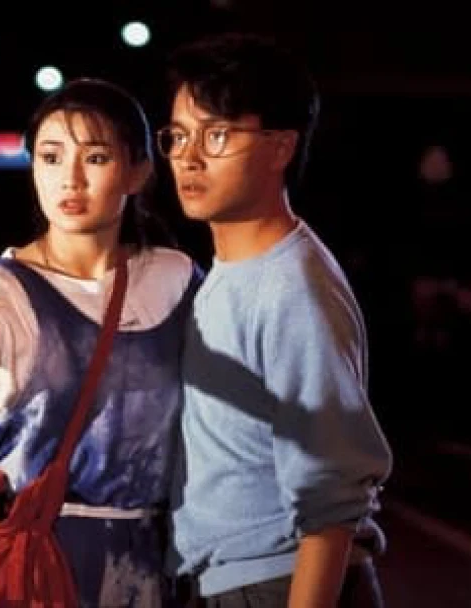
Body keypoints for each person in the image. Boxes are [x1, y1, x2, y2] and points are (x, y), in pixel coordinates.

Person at [0, 77, 201, 606]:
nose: (70, 178)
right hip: (43, 563)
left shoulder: (175, 278)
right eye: (50, 157)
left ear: (138, 170)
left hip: (161, 560)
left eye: (96, 157)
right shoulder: (3, 290)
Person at [159, 33, 393, 607]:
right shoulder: (230, 272)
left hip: (276, 583)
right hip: (235, 580)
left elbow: (332, 496)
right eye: (178, 136)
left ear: (281, 147)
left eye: (217, 134)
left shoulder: (292, 290)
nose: (189, 157)